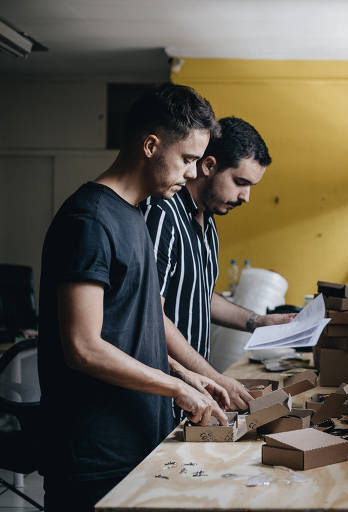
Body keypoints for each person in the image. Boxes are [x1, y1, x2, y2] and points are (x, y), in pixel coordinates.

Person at [37, 83, 230, 511]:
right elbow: (83, 347)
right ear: (150, 145)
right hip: (94, 457)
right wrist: (176, 389)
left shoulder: (134, 216)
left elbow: (131, 327)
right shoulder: (89, 220)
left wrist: (183, 372)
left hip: (137, 443)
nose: (195, 173)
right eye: (188, 159)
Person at [141, 117, 294, 413]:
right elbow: (152, 314)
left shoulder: (208, 222)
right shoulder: (162, 213)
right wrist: (213, 376)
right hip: (162, 392)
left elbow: (199, 295)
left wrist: (258, 322)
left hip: (196, 392)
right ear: (208, 166)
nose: (245, 197)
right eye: (240, 182)